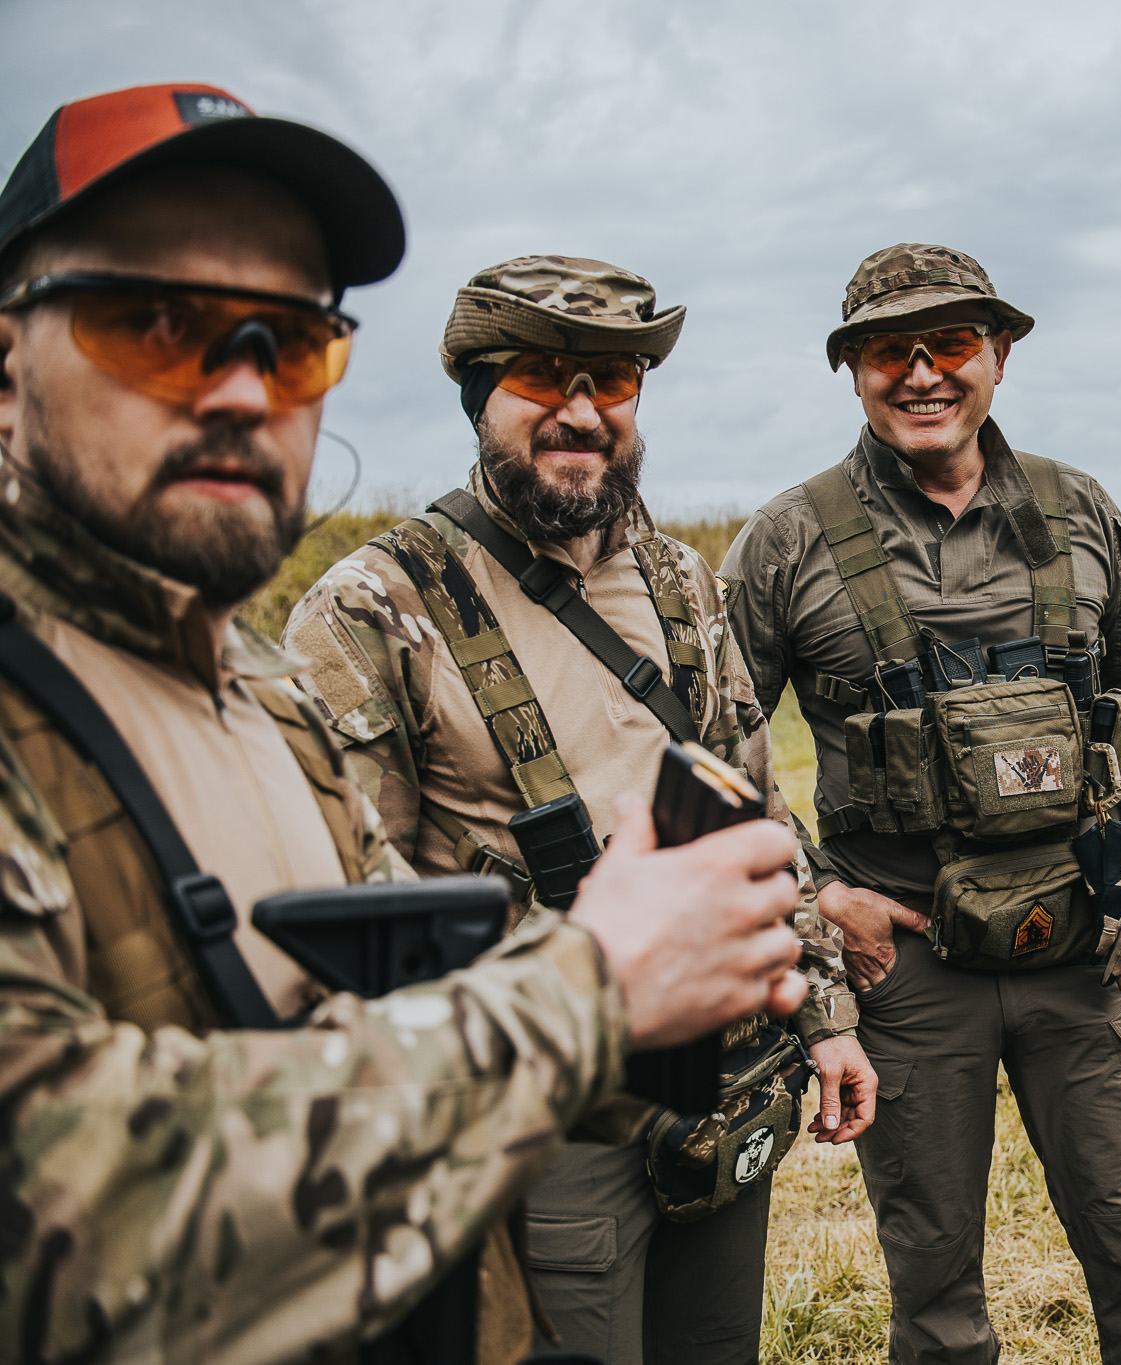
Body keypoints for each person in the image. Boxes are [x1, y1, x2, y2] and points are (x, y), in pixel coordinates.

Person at [0, 83, 809, 1365]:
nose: (236, 391)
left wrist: (721, 974)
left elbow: (392, 1000)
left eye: (289, 340)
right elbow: (54, 1204)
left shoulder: (259, 697)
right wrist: (593, 990)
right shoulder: (359, 616)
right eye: (153, 323)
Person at [284, 255, 873, 1365]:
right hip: (541, 1122)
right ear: (478, 396)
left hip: (725, 1081)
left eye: (612, 381)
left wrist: (822, 1016)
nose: (580, 409)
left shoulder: (682, 585)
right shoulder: (374, 606)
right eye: (543, 376)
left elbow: (757, 817)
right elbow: (348, 916)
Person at [720, 243, 1121, 1364]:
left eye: (951, 343)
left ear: (998, 354)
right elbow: (712, 751)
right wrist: (817, 901)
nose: (922, 372)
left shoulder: (1080, 511)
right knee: (933, 1288)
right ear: (852, 369)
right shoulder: (786, 541)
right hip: (907, 966)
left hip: (1082, 956)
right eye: (888, 350)